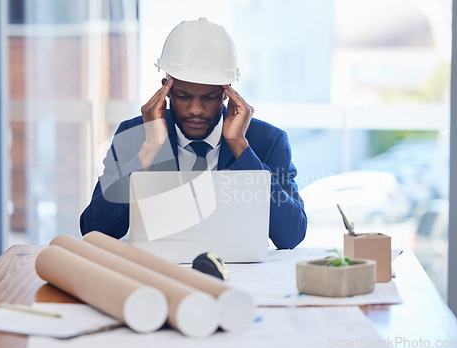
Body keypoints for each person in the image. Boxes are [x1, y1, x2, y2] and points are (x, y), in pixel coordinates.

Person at [80, 17, 307, 249]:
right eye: (183, 96)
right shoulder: (134, 135)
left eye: (209, 97)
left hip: (241, 274)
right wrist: (148, 150)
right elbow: (94, 229)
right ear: (165, 90)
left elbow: (291, 234)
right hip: (158, 273)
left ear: (226, 93)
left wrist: (241, 148)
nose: (196, 110)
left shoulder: (267, 141)